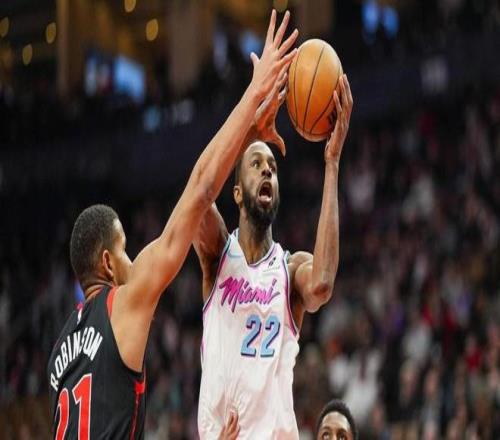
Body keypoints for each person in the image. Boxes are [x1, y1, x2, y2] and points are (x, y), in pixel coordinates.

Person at [47, 10, 298, 439]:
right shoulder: (123, 304)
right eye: (125, 251)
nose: (132, 261)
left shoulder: (58, 355)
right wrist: (253, 97)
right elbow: (200, 192)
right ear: (107, 263)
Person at [195, 45, 354, 436]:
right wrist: (250, 131)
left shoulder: (290, 269)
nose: (267, 170)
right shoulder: (218, 254)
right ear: (236, 192)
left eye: (273, 167)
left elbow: (323, 283)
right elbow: (197, 196)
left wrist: (332, 163)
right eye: (256, 165)